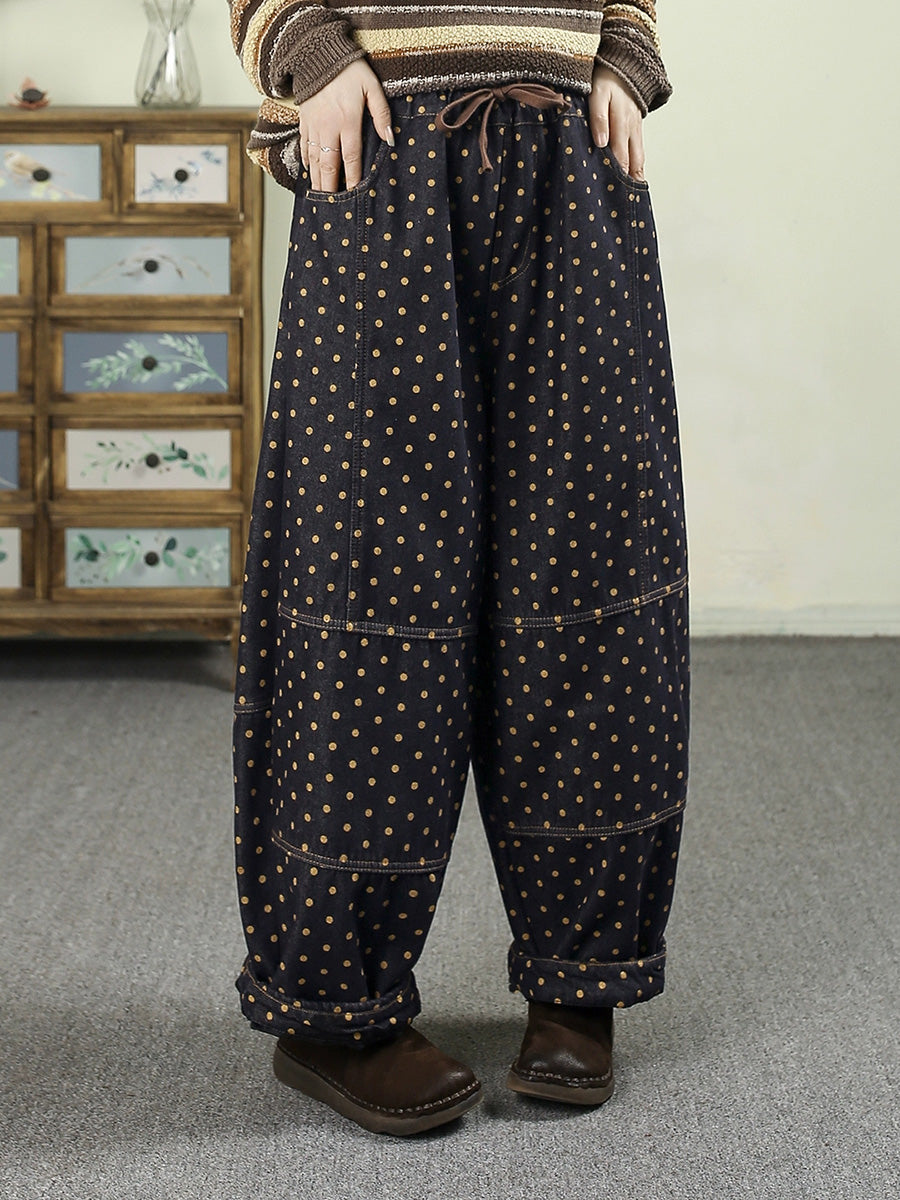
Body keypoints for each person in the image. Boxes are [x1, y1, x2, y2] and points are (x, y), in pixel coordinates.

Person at [228, 0, 690, 1137]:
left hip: (571, 167)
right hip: (381, 151)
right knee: (367, 595)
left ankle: (582, 978)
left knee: (589, 587)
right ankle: (333, 1012)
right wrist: (309, 55)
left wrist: (625, 59)